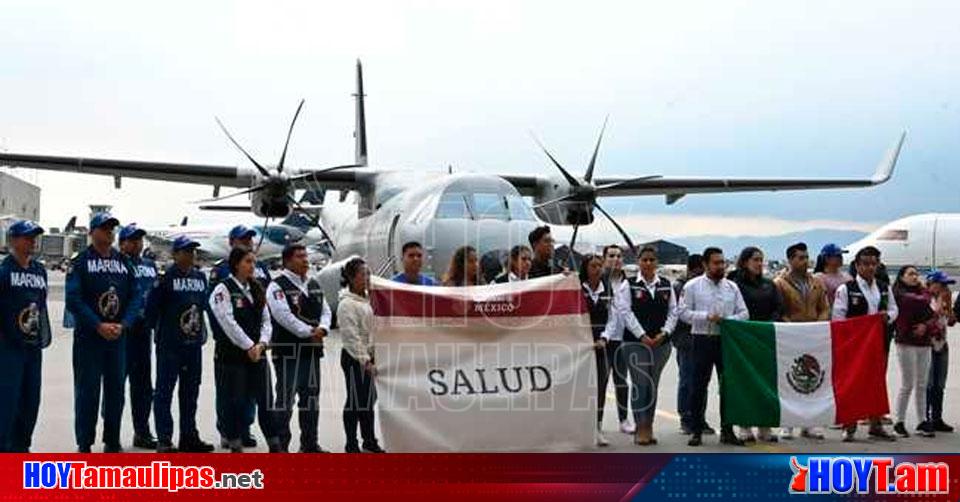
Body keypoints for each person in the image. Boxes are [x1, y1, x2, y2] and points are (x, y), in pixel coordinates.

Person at [67, 212, 143, 453]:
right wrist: (97, 325)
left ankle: (112, 439)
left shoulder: (123, 262)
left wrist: (124, 324)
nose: (109, 232)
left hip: (117, 337)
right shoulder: (81, 262)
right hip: (90, 338)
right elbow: (74, 299)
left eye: (112, 228)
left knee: (115, 392)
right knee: (87, 392)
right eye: (104, 228)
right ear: (92, 232)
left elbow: (136, 296)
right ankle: (85, 442)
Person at [208, 247, 282, 453]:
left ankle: (274, 442)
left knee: (266, 400)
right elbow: (227, 322)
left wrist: (262, 344)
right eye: (248, 262)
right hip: (232, 357)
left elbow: (267, 320)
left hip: (258, 355)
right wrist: (248, 345)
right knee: (236, 401)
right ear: (236, 264)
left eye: (254, 262)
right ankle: (234, 441)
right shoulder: (223, 290)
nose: (253, 266)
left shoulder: (257, 288)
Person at [145, 236, 214, 453]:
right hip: (170, 346)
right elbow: (151, 312)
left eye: (193, 251)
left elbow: (204, 307)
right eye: (185, 251)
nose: (191, 255)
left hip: (192, 345)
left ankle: (189, 436)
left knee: (190, 393)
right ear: (175, 254)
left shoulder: (200, 278)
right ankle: (165, 439)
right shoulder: (165, 280)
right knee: (164, 393)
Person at [678, 247, 749, 447]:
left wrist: (727, 320)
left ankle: (727, 429)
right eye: (716, 263)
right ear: (705, 264)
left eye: (722, 262)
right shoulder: (692, 286)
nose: (720, 266)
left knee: (727, 386)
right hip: (701, 338)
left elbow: (744, 313)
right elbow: (682, 312)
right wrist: (705, 316)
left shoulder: (732, 287)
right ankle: (696, 430)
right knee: (698, 386)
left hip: (725, 340)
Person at [267, 244, 332, 453]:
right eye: (299, 256)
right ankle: (280, 446)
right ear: (287, 261)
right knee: (285, 401)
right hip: (288, 352)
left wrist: (322, 328)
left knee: (311, 399)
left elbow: (326, 310)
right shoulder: (277, 286)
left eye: (305, 255)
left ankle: (310, 444)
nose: (305, 260)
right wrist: (309, 333)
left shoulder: (313, 283)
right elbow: (283, 316)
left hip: (311, 352)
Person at [832, 246, 899, 442]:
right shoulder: (846, 289)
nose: (870, 268)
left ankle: (875, 424)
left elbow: (895, 309)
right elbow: (838, 317)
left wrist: (888, 317)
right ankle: (849, 424)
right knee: (852, 383)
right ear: (857, 265)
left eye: (873, 264)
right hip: (855, 346)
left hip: (879, 343)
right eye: (866, 264)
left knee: (877, 382)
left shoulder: (884, 287)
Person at [0, 220, 51, 452]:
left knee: (31, 401)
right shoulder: (4, 271)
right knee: (7, 402)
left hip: (32, 347)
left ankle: (22, 448)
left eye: (34, 236)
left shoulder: (40, 270)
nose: (32, 241)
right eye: (27, 236)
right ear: (13, 240)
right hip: (8, 348)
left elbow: (41, 307)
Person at [617, 246, 675, 445]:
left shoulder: (666, 285)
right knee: (640, 384)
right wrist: (642, 335)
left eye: (652, 260)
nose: (648, 264)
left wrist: (665, 332)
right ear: (638, 262)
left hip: (661, 343)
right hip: (635, 343)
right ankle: (640, 427)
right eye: (645, 260)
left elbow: (673, 312)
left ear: (656, 262)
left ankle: (649, 424)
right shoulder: (629, 285)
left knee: (653, 385)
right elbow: (625, 313)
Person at [773, 242, 830, 440]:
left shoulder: (817, 283)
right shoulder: (779, 283)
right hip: (790, 338)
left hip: (813, 336)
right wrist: (793, 328)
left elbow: (824, 307)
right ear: (790, 260)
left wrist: (818, 324)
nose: (805, 261)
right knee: (790, 380)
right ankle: (788, 423)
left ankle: (810, 424)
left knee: (813, 382)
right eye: (800, 258)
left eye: (806, 257)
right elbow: (779, 311)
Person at [729, 246, 781, 443]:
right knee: (745, 383)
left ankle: (765, 425)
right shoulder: (734, 284)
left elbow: (777, 308)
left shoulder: (769, 285)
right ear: (744, 262)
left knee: (766, 383)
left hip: (765, 338)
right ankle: (744, 424)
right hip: (742, 340)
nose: (759, 264)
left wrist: (768, 325)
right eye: (755, 260)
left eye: (761, 260)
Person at [117, 223, 159, 450]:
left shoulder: (150, 266)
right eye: (132, 240)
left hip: (144, 332)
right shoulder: (116, 265)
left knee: (143, 386)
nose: (137, 244)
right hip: (123, 332)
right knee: (116, 385)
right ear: (122, 243)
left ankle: (142, 431)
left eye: (139, 240)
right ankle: (111, 433)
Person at [338, 257, 386, 453]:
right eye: (363, 274)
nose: (367, 277)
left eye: (368, 273)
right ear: (351, 277)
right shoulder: (347, 304)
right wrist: (365, 360)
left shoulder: (368, 299)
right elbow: (351, 336)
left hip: (369, 357)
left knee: (368, 401)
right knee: (355, 401)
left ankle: (369, 440)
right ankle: (351, 443)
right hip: (353, 358)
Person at [891, 266, 937, 438]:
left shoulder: (923, 293)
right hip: (906, 342)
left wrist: (926, 326)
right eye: (910, 274)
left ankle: (922, 420)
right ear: (901, 277)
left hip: (924, 342)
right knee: (907, 383)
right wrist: (926, 296)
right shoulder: (898, 293)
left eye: (916, 274)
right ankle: (899, 421)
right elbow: (915, 301)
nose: (915, 276)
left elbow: (933, 315)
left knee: (922, 384)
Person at [579, 254, 616, 446]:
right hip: (581, 346)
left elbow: (613, 318)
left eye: (599, 266)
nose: (597, 269)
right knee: (580, 389)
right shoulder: (576, 289)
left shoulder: (608, 289)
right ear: (585, 268)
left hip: (601, 346)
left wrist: (604, 338)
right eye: (593, 266)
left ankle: (597, 427)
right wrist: (584, 339)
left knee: (600, 388)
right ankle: (580, 427)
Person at [673, 254, 712, 436]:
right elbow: (678, 315)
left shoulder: (706, 286)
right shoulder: (681, 287)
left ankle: (699, 418)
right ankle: (686, 418)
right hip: (686, 340)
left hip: (704, 338)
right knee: (687, 381)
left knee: (702, 382)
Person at [601, 244, 634, 435]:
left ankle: (624, 419)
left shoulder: (628, 283)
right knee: (601, 383)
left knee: (622, 381)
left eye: (619, 256)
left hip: (624, 339)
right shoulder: (601, 282)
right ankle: (596, 422)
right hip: (606, 339)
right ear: (604, 259)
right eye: (611, 255)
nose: (616, 259)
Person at [927, 271, 956, 432]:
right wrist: (940, 305)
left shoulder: (945, 299)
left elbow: (951, 321)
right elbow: (929, 318)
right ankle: (926, 417)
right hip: (928, 344)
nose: (945, 288)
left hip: (942, 343)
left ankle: (937, 417)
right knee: (929, 383)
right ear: (933, 284)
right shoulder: (924, 299)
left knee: (940, 384)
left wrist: (949, 306)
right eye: (943, 285)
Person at [813, 243, 851, 309]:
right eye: (838, 256)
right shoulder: (819, 278)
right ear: (827, 258)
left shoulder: (848, 277)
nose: (841, 258)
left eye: (841, 255)